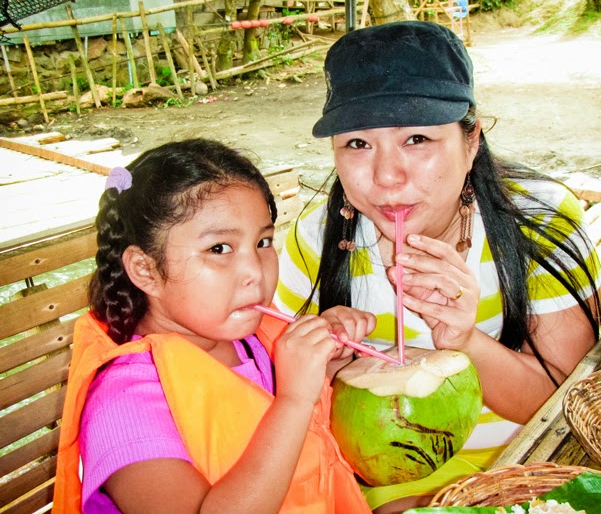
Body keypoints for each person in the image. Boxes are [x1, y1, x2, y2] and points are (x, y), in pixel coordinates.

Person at [274, 21, 601, 511]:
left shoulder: (539, 222)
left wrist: (465, 341)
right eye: (358, 144)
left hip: (521, 473)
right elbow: (278, 391)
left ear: (471, 143)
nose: (387, 176)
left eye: (417, 139)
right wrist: (325, 366)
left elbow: (560, 406)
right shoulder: (315, 238)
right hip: (368, 482)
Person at [53, 138, 375, 514]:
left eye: (263, 241)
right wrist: (294, 398)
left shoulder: (253, 342)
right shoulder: (123, 407)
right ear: (145, 269)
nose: (255, 272)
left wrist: (329, 369)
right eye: (219, 248)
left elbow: (311, 443)